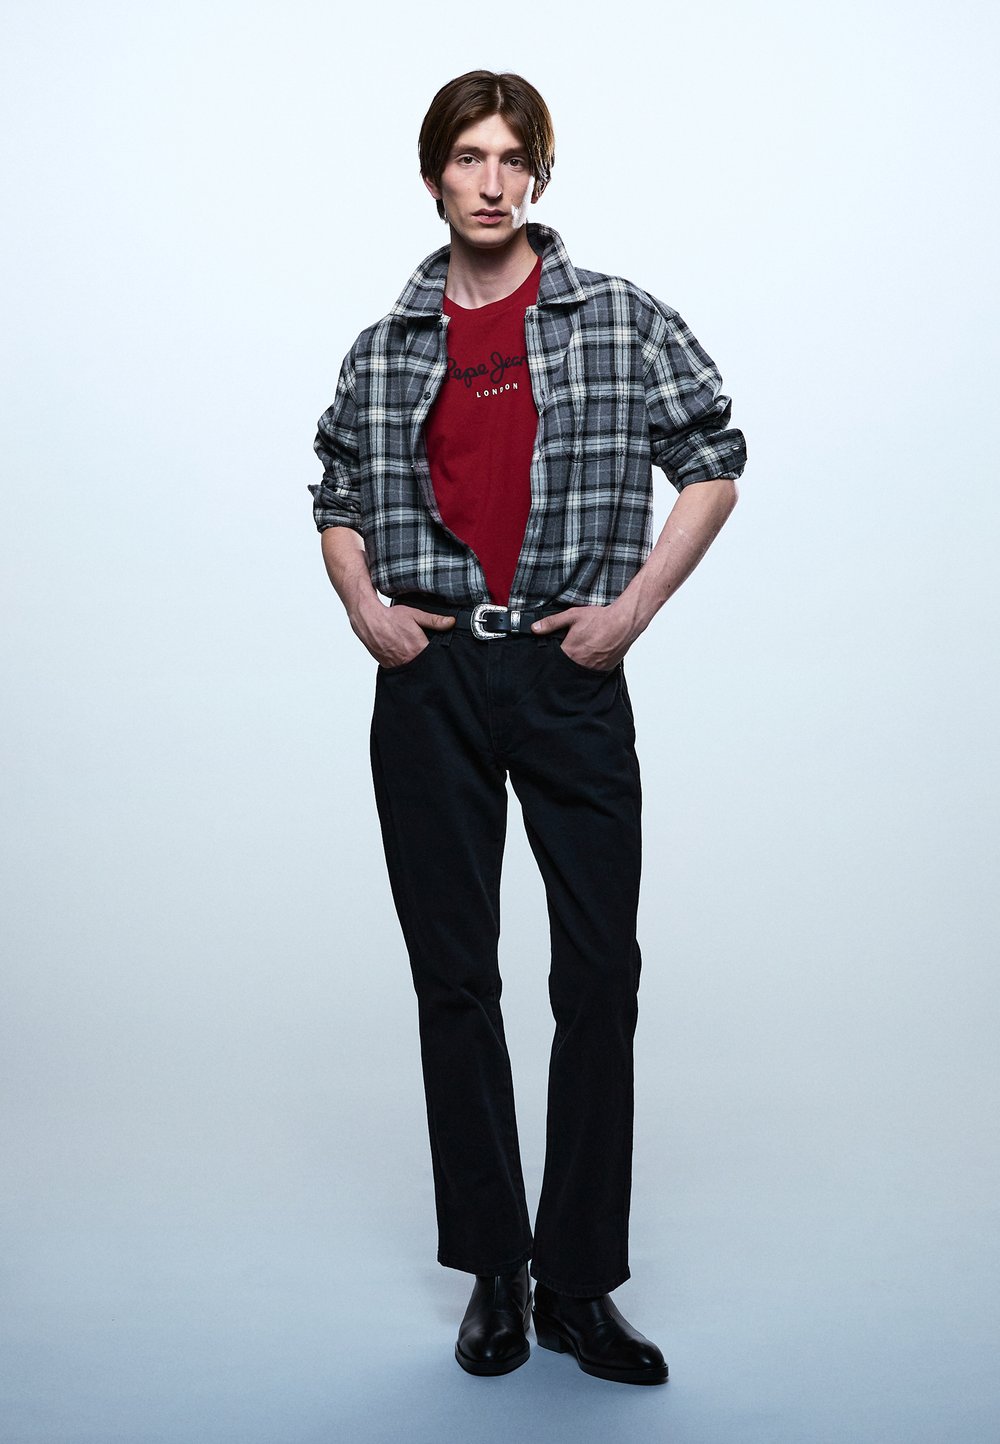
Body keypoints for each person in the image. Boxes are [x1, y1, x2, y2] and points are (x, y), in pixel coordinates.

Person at [309, 70, 746, 1387]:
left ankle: (580, 1284)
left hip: (567, 673)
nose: (491, 182)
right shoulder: (386, 346)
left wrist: (633, 612)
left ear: (536, 176)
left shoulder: (616, 317)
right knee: (456, 980)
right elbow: (335, 490)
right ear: (433, 174)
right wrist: (364, 607)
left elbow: (714, 459)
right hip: (431, 680)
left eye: (512, 159)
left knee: (597, 974)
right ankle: (496, 1270)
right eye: (469, 157)